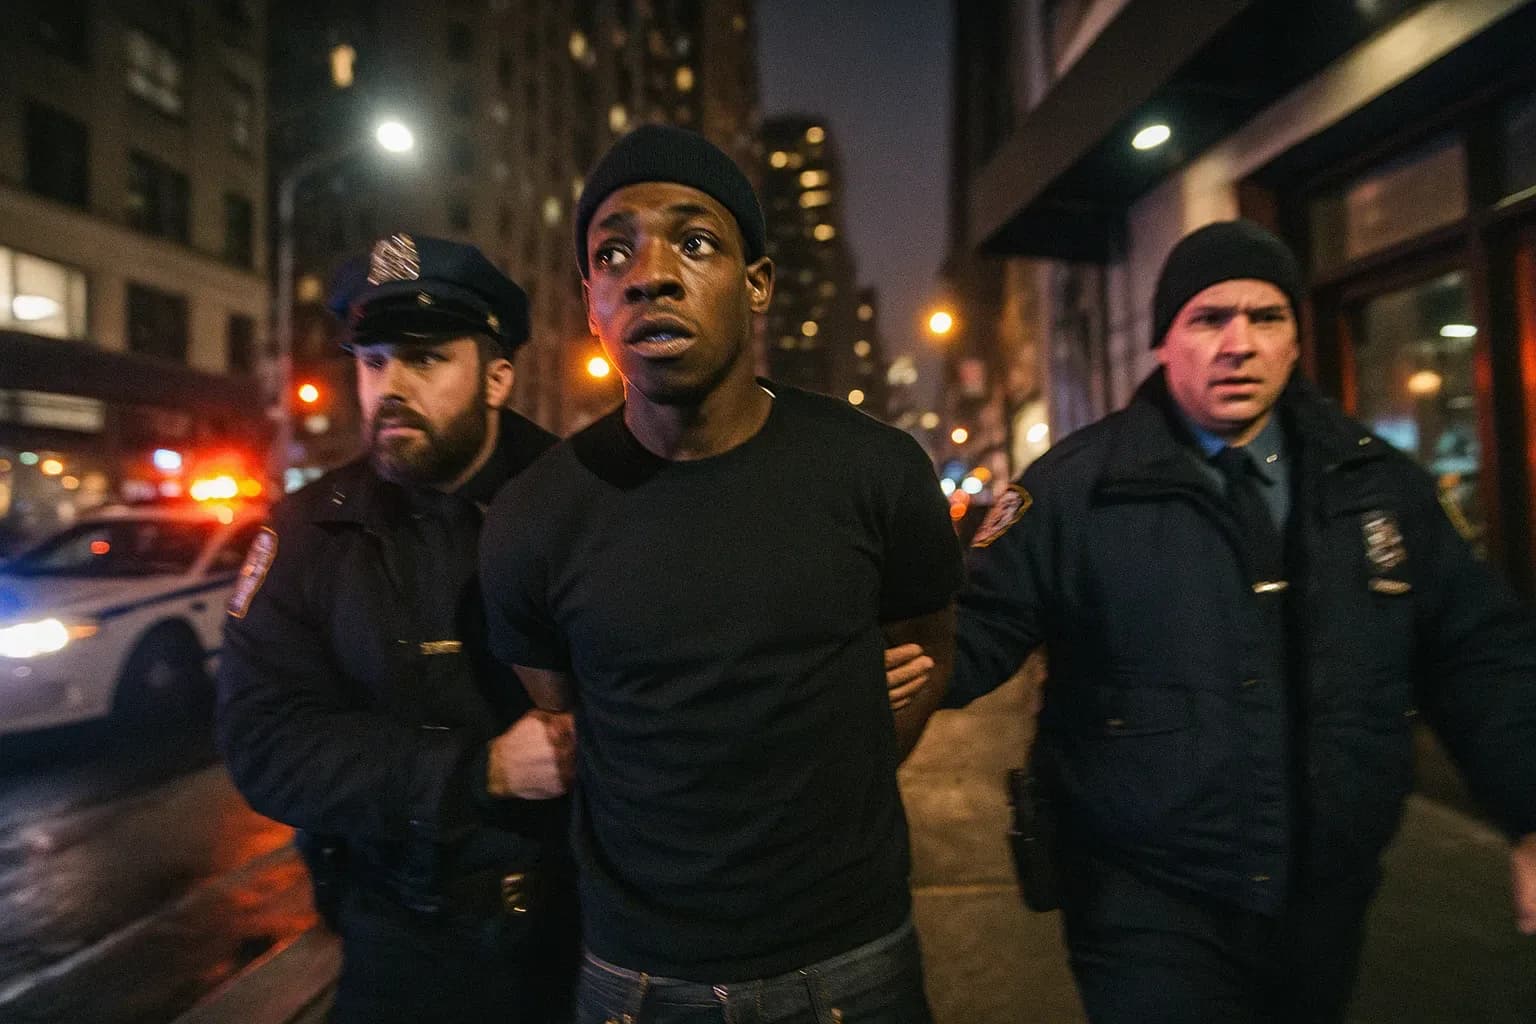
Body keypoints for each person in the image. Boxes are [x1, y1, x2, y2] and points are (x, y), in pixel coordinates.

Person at [888, 219, 1536, 1023]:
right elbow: (976, 625)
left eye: (1266, 318)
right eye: (1208, 319)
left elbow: (1475, 649)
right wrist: (890, 661)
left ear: (1296, 339)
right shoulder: (1075, 489)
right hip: (1145, 897)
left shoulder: (1372, 481)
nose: (1239, 343)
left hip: (1324, 892)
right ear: (1164, 342)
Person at [478, 125, 963, 1024]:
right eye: (613, 252)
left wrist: (851, 755)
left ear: (758, 284)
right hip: (637, 978)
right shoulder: (533, 516)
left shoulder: (876, 471)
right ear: (592, 301)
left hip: (851, 965)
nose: (649, 273)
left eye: (695, 242)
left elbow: (927, 645)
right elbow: (564, 712)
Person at [217, 234, 580, 1024]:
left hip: (577, 939)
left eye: (426, 360)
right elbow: (263, 741)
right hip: (397, 947)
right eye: (375, 360)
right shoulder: (311, 533)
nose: (392, 387)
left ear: (497, 376)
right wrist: (475, 770)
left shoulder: (580, 507)